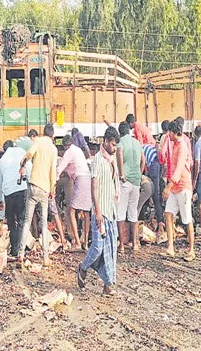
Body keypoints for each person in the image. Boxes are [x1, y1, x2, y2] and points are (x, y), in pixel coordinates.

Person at [76, 126, 120, 296]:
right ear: (106, 142)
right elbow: (94, 187)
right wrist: (98, 212)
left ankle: (108, 284)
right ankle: (83, 267)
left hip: (111, 211)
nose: (115, 148)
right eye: (113, 144)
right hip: (100, 212)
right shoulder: (98, 161)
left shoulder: (112, 160)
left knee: (110, 249)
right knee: (98, 248)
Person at [18, 124, 58, 267]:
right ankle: (46, 258)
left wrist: (22, 164)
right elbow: (53, 171)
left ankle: (20, 255)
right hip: (45, 188)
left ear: (43, 133)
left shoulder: (38, 142)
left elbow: (28, 155)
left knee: (27, 221)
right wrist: (52, 188)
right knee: (44, 224)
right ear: (52, 136)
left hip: (33, 185)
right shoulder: (53, 149)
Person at [162, 120, 195, 261]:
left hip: (183, 187)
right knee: (168, 214)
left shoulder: (182, 147)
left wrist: (168, 187)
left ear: (175, 132)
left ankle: (191, 250)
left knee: (187, 219)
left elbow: (179, 169)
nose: (168, 134)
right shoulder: (174, 144)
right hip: (175, 187)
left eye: (169, 132)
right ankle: (170, 247)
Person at [0, 141, 31, 259]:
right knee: (21, 220)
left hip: (9, 192)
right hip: (22, 189)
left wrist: (0, 199)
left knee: (11, 221)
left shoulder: (3, 159)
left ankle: (14, 250)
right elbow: (29, 168)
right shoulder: (21, 152)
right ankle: (20, 250)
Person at [57, 134, 92, 251]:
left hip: (80, 179)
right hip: (87, 178)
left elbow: (60, 168)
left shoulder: (69, 152)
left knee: (71, 211)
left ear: (65, 146)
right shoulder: (78, 150)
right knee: (86, 212)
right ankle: (85, 243)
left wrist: (54, 180)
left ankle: (77, 242)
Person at [116, 122, 145, 253]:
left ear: (120, 133)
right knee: (133, 213)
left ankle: (121, 245)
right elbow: (143, 160)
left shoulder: (120, 143)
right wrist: (139, 172)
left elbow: (120, 157)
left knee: (121, 213)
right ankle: (135, 244)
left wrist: (122, 174)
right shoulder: (137, 143)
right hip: (136, 181)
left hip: (125, 182)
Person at [142, 141, 164, 237]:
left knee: (154, 196)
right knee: (155, 194)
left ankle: (160, 225)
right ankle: (160, 223)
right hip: (156, 164)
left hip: (153, 165)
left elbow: (142, 164)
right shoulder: (144, 146)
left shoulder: (139, 150)